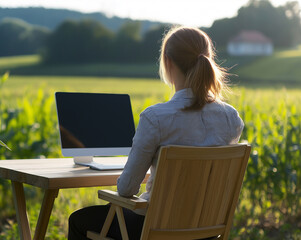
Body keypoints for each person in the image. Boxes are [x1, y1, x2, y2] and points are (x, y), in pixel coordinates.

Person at [68, 26, 244, 240]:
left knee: (79, 221)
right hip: (206, 231)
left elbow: (126, 189)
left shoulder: (156, 117)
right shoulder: (230, 118)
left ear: (168, 62)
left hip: (155, 229)